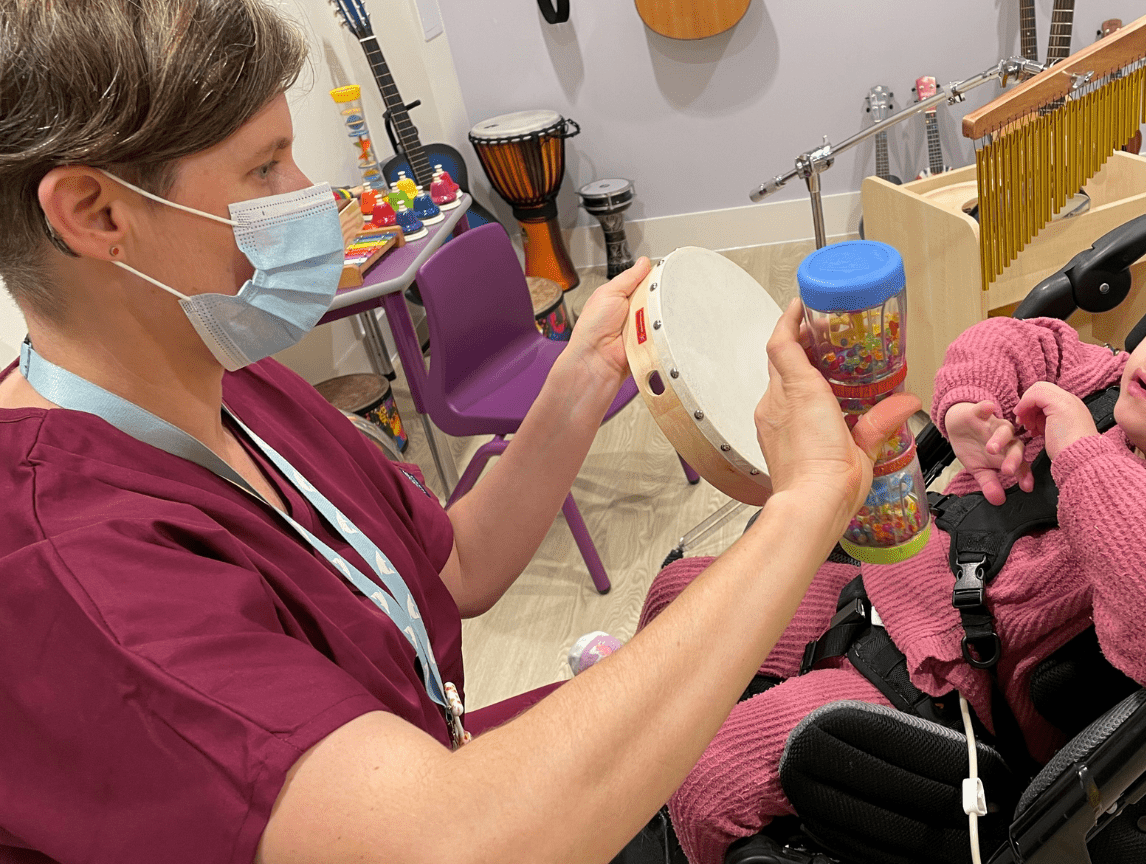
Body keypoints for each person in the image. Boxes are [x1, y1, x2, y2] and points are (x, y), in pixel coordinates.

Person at [0, 2, 918, 862]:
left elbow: (454, 568)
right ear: (97, 214)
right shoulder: (68, 572)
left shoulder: (229, 381)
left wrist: (583, 376)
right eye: (265, 167)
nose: (311, 193)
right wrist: (805, 505)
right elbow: (453, 844)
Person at [639, 229, 1146, 864]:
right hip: (899, 590)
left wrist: (1083, 455)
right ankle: (644, 751)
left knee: (714, 776)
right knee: (682, 596)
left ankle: (686, 826)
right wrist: (971, 406)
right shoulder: (1112, 382)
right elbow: (1021, 338)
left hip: (949, 701)